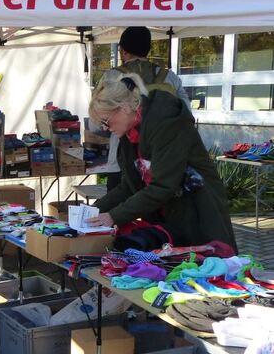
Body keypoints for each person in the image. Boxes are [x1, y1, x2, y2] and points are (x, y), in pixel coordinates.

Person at [87, 70, 236, 251]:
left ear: (124, 107)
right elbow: (129, 186)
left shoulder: (166, 123)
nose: (106, 128)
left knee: (206, 262)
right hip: (167, 215)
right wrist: (93, 211)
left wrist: (113, 216)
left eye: (106, 121)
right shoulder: (129, 133)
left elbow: (163, 185)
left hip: (197, 209)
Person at [102, 26, 190, 191]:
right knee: (156, 202)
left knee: (120, 202)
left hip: (122, 160)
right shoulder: (169, 77)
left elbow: (98, 119)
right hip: (161, 158)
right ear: (148, 49)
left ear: (122, 50)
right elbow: (186, 113)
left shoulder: (112, 77)